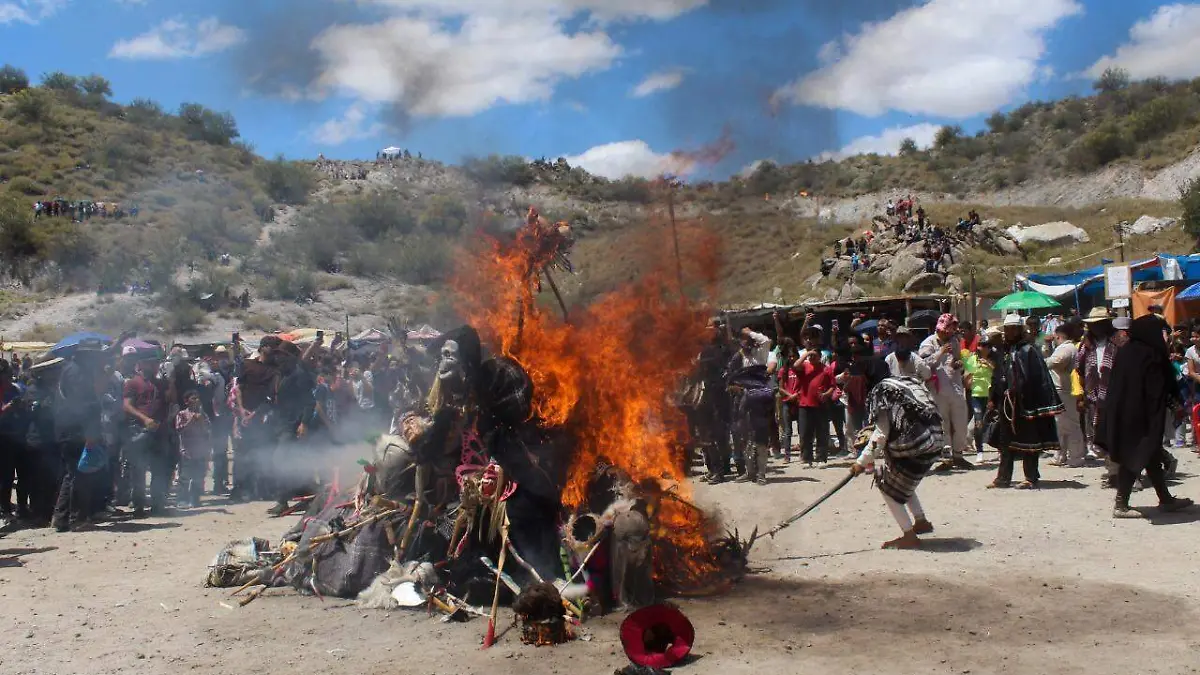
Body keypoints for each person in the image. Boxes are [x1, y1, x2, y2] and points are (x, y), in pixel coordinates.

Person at [1098, 315, 1193, 518]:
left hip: (1123, 414)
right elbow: (1157, 387)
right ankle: (1121, 505)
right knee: (1136, 454)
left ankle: (1165, 499)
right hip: (1142, 416)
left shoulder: (1127, 352)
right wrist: (1173, 403)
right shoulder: (1150, 354)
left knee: (1150, 456)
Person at [849, 377, 945, 549]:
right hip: (935, 438)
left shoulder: (881, 392)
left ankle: (909, 535)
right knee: (903, 480)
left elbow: (881, 433)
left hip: (917, 445)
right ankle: (920, 520)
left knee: (886, 483)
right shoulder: (905, 382)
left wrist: (861, 462)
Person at [988, 315, 1063, 490]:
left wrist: (1021, 391)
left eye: (1014, 328)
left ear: (1020, 330)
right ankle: (1003, 478)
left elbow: (1037, 377)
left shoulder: (1029, 350)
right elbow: (998, 375)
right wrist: (993, 397)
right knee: (1005, 443)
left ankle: (1031, 477)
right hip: (1006, 404)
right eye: (1008, 328)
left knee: (1030, 441)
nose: (1010, 331)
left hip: (1026, 404)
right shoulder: (1003, 351)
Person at [919, 314, 973, 471]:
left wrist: (959, 364)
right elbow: (922, 365)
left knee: (961, 422)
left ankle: (958, 455)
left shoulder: (954, 342)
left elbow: (957, 361)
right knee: (943, 425)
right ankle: (947, 458)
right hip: (937, 390)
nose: (949, 334)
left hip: (955, 387)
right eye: (947, 331)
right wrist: (940, 352)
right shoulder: (928, 343)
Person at [1077, 308, 1119, 486]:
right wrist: (1082, 394)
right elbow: (1080, 369)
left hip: (1116, 395)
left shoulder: (1118, 342)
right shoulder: (1087, 345)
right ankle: (1113, 472)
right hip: (1095, 397)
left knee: (1118, 435)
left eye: (1099, 324)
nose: (1095, 327)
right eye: (1092, 324)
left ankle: (1126, 474)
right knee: (1100, 437)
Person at [122, 352, 166, 515]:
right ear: (142, 364)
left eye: (156, 363)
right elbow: (127, 405)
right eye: (151, 363)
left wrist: (172, 382)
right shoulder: (133, 383)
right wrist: (145, 419)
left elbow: (171, 399)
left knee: (159, 469)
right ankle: (139, 505)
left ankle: (157, 504)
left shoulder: (161, 383)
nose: (154, 366)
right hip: (139, 430)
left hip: (158, 431)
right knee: (138, 470)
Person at [791, 328, 835, 467]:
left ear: (820, 356)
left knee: (822, 432)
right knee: (805, 433)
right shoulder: (804, 367)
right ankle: (807, 458)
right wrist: (807, 353)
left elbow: (832, 386)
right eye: (810, 356)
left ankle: (821, 458)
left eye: (814, 356)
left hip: (820, 405)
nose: (812, 358)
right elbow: (795, 365)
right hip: (805, 405)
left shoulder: (826, 369)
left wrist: (827, 394)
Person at [1046, 323, 1085, 468]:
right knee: (1060, 425)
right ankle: (1060, 455)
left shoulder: (1066, 348)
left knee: (1071, 425)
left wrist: (1041, 362)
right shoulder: (1066, 347)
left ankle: (1076, 457)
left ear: (1058, 335)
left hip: (1065, 390)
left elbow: (1055, 361)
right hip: (1061, 390)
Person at [962, 331, 996, 464]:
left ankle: (1000, 449)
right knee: (978, 423)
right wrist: (968, 377)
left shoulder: (994, 358)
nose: (983, 348)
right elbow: (966, 377)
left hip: (990, 394)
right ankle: (980, 451)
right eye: (981, 345)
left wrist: (988, 364)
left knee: (993, 422)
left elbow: (998, 373)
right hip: (976, 394)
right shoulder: (972, 359)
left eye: (986, 346)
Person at [174, 390, 211, 508]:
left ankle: (195, 498)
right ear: (186, 401)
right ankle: (182, 499)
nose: (196, 400)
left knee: (198, 476)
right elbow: (180, 429)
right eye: (193, 398)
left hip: (200, 450)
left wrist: (201, 421)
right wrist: (192, 420)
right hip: (187, 451)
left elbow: (208, 430)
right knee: (185, 477)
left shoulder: (203, 414)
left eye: (197, 398)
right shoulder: (182, 414)